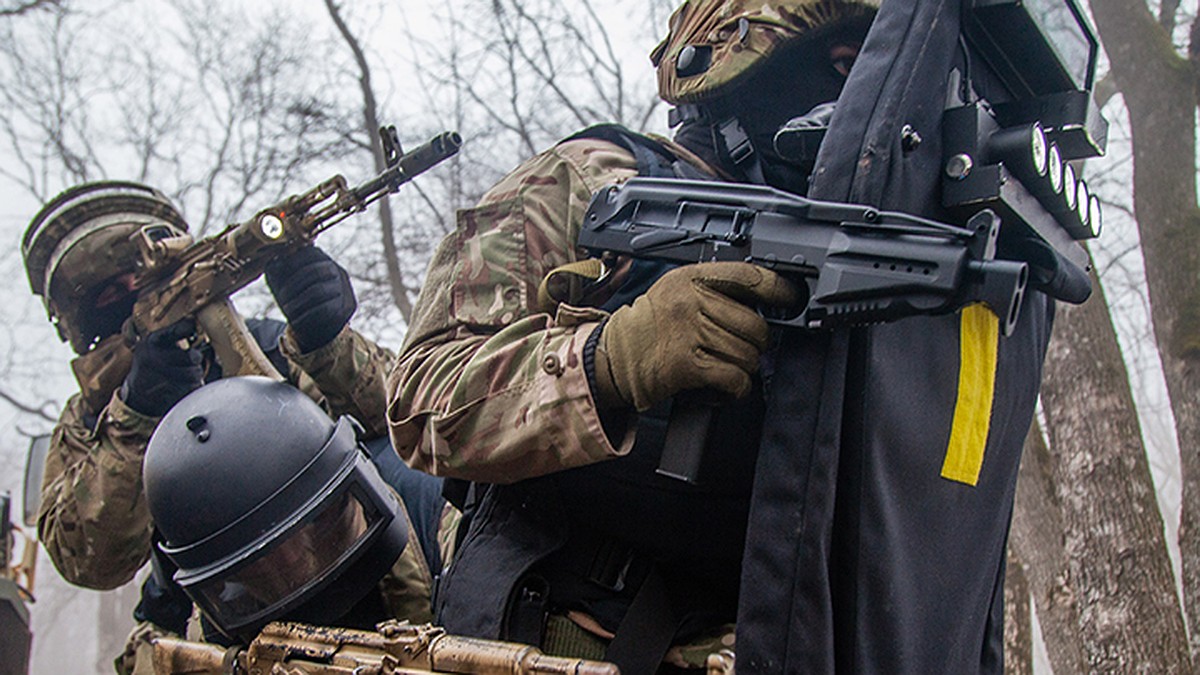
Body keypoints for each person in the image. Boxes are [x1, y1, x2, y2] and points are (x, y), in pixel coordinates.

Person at [388, 0, 1065, 673]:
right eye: (845, 64)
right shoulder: (594, 178)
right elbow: (421, 399)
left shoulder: (887, 255)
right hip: (557, 645)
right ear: (733, 55)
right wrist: (612, 360)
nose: (868, 97)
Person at [21, 181, 440, 669]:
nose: (133, 293)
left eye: (142, 277)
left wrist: (328, 340)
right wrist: (136, 417)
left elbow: (411, 419)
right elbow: (89, 559)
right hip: (207, 627)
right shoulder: (88, 423)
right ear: (83, 322)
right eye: (112, 293)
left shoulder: (264, 345)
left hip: (365, 577)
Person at [140, 376, 427, 645]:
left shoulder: (432, 513)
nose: (294, 562)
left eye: (314, 526)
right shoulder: (210, 644)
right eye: (262, 560)